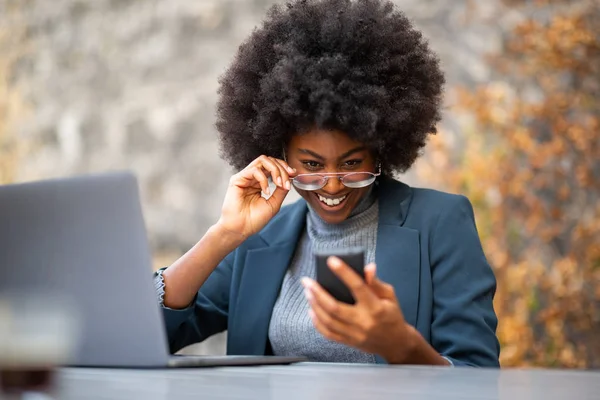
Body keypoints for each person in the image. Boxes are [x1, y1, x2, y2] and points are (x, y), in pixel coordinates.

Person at [154, 0, 500, 367]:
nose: (332, 186)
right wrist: (224, 233)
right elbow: (152, 334)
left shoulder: (440, 222)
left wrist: (402, 346)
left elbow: (476, 373)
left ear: (380, 150)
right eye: (311, 165)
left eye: (352, 163)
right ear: (280, 154)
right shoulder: (260, 239)